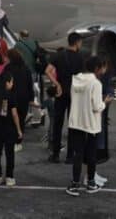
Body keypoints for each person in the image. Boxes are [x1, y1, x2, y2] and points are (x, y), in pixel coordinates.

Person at [65, 56, 111, 197]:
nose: (103, 70)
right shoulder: (95, 84)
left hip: (76, 122)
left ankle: (74, 184)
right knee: (91, 155)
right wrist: (105, 102)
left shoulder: (75, 80)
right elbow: (97, 107)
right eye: (102, 67)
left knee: (78, 154)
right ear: (97, 68)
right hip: (91, 124)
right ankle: (90, 182)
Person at [46, 33, 84, 164]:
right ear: (77, 42)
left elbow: (48, 71)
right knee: (72, 124)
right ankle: (70, 155)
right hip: (74, 93)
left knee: (58, 123)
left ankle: (55, 154)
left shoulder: (59, 55)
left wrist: (57, 84)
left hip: (60, 93)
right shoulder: (80, 58)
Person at [0, 71, 22, 187]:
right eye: (11, 81)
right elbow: (14, 114)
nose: (12, 84)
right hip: (9, 128)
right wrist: (19, 129)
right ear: (7, 83)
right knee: (9, 154)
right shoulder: (10, 95)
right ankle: (9, 177)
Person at [6, 49, 33, 152]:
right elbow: (30, 85)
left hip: (12, 97)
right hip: (24, 98)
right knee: (21, 120)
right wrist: (31, 98)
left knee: (11, 120)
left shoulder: (8, 68)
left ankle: (10, 141)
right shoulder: (26, 69)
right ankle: (18, 142)